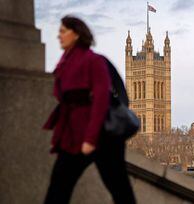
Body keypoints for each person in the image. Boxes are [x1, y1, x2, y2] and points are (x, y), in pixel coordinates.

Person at [42, 16, 136, 204]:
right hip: (72, 137)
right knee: (58, 189)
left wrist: (90, 139)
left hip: (101, 137)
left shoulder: (94, 61)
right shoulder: (64, 64)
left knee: (119, 188)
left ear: (76, 34)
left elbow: (101, 100)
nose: (58, 36)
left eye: (63, 31)